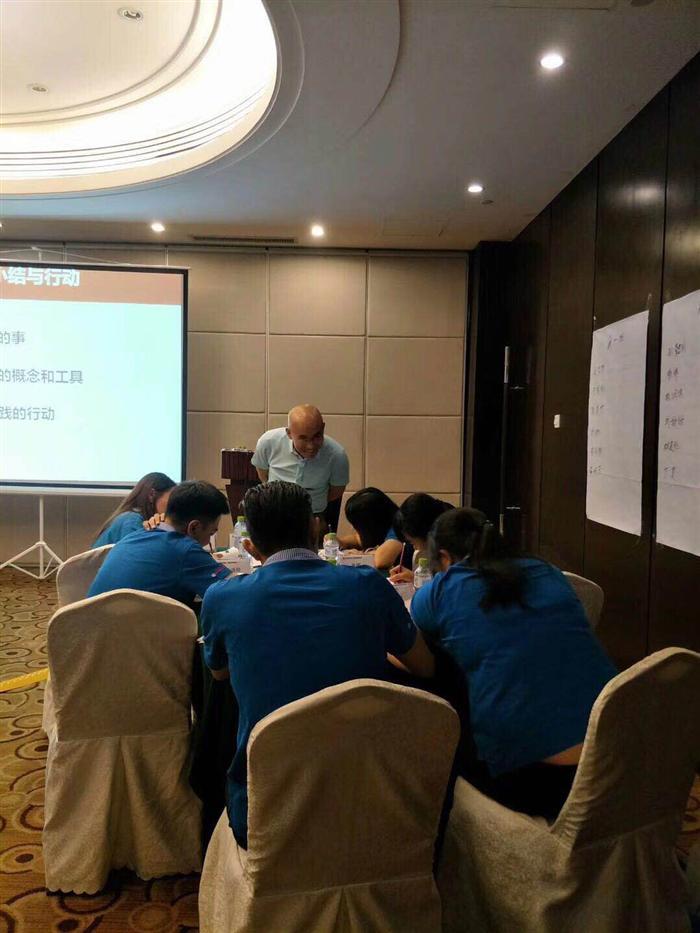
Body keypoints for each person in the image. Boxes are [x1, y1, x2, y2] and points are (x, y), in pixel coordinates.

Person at [200, 480, 434, 849]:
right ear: (315, 527)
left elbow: (218, 672)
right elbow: (424, 666)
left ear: (249, 545)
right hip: (371, 799)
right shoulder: (369, 586)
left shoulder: (222, 598)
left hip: (267, 809)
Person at [411, 507, 616, 820]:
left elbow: (412, 638)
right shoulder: (546, 571)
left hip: (541, 782)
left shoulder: (442, 589)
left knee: (437, 746)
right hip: (613, 760)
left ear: (445, 557)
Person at [88, 480, 231, 607]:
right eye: (211, 533)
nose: (208, 541)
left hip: (90, 624)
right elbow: (232, 592)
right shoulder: (184, 549)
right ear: (193, 527)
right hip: (137, 628)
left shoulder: (132, 537)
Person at [251, 405, 349, 532]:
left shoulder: (337, 455)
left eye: (317, 436)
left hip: (313, 516)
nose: (310, 446)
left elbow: (336, 491)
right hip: (275, 512)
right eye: (303, 438)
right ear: (289, 433)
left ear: (323, 428)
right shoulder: (268, 442)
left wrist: (312, 502)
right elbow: (263, 474)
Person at [91, 471, 176, 548]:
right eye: (171, 499)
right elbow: (141, 556)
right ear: (151, 494)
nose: (173, 506)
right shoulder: (131, 520)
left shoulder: (131, 517)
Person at [339, 487, 412, 573]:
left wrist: (360, 555)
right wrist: (338, 542)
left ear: (370, 524)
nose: (352, 528)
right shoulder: (386, 523)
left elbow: (381, 561)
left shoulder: (398, 529)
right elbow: (358, 539)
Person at [389, 493, 455, 584]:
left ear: (425, 533)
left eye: (413, 542)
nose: (414, 547)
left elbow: (449, 586)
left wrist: (417, 579)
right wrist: (415, 578)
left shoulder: (452, 549)